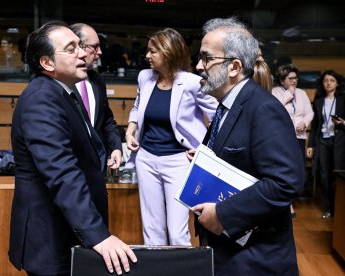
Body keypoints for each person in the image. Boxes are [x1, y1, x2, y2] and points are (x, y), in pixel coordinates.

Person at [8, 20, 136, 276]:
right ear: (47, 63)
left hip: (67, 233)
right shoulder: (41, 99)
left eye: (80, 46)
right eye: (70, 48)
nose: (82, 53)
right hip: (51, 238)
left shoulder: (65, 92)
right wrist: (98, 235)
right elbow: (61, 172)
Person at [192, 17, 304, 275]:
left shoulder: (263, 108)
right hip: (230, 253)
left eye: (207, 58)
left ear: (234, 67)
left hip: (256, 260)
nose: (199, 66)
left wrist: (223, 214)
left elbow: (286, 182)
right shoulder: (228, 106)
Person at [125, 28, 218, 246]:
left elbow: (218, 116)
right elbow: (138, 107)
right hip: (146, 159)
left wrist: (206, 148)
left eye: (152, 51)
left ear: (168, 52)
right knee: (152, 230)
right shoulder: (144, 77)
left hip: (179, 161)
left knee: (176, 232)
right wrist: (130, 130)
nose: (147, 56)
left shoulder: (193, 83)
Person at [69, 23, 122, 171]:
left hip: (97, 166)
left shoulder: (98, 80)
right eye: (94, 47)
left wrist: (116, 147)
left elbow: (106, 120)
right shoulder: (61, 84)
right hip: (69, 168)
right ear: (78, 47)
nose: (99, 52)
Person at [307, 70, 345, 219]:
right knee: (323, 175)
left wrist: (342, 122)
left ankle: (339, 208)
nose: (328, 83)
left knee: (337, 175)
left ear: (337, 83)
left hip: (339, 140)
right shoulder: (319, 99)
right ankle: (329, 207)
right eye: (325, 80)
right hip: (322, 140)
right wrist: (311, 145)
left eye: (332, 80)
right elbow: (315, 124)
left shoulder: (342, 99)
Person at [272, 64, 314, 158]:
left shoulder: (301, 93)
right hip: (282, 136)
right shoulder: (275, 91)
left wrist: (304, 123)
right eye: (290, 78)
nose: (294, 81)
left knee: (299, 165)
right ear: (282, 80)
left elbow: (309, 113)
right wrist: (289, 92)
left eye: (295, 78)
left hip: (300, 136)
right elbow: (276, 107)